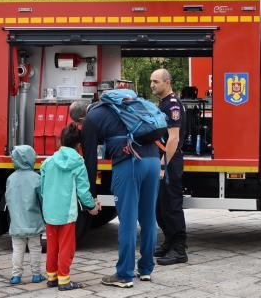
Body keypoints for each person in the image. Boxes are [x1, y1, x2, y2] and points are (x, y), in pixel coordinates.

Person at [69, 98, 160, 288]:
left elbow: (90, 162)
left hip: (130, 164)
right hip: (153, 160)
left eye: (78, 124)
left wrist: (90, 198)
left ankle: (124, 274)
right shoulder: (116, 107)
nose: (79, 128)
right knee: (148, 217)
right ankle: (145, 270)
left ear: (81, 118)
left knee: (127, 220)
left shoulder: (91, 119)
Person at [40, 123, 101, 291]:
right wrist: (91, 206)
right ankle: (64, 280)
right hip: (67, 213)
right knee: (67, 246)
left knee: (52, 246)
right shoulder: (78, 162)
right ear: (79, 145)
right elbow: (83, 190)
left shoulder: (48, 162)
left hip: (50, 212)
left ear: (60, 142)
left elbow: (42, 188)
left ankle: (51, 277)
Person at [150, 68, 188, 265]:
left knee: (171, 206)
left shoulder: (172, 105)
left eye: (156, 81)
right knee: (161, 206)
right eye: (151, 81)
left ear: (167, 82)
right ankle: (169, 242)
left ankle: (179, 249)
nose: (152, 85)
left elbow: (173, 138)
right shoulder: (163, 103)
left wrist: (163, 164)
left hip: (170, 162)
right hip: (163, 160)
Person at [5, 145, 46, 285]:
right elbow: (42, 199)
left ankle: (16, 276)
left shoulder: (11, 178)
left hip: (17, 222)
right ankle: (36, 274)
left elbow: (8, 199)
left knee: (17, 250)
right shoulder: (36, 178)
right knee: (35, 248)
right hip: (33, 221)